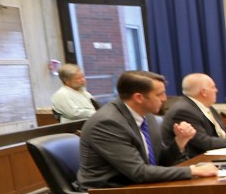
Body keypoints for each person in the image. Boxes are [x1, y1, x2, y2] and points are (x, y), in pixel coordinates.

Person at [77, 70, 218, 188]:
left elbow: (160, 162)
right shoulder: (108, 123)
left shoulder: (147, 116)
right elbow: (139, 172)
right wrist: (193, 170)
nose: (164, 98)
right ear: (139, 97)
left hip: (137, 186)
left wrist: (180, 141)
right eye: (159, 94)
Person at [165, 73, 226, 159]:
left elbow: (223, 131)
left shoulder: (207, 106)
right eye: (213, 87)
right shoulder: (184, 111)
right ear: (203, 92)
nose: (216, 90)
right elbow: (204, 143)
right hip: (196, 161)